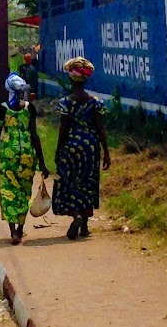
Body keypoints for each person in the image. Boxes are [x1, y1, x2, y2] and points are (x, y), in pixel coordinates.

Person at [0, 74, 49, 245]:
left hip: (8, 156)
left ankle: (13, 231)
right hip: (27, 155)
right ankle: (20, 229)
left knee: (8, 191)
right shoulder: (30, 108)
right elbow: (35, 136)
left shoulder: (3, 109)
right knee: (24, 192)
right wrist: (42, 164)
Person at [53, 57, 111, 241]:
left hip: (72, 145)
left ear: (71, 79)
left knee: (70, 181)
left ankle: (75, 213)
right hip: (91, 146)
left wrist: (58, 150)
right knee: (88, 181)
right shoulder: (95, 102)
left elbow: (63, 129)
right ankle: (85, 226)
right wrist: (107, 152)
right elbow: (101, 128)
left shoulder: (66, 102)